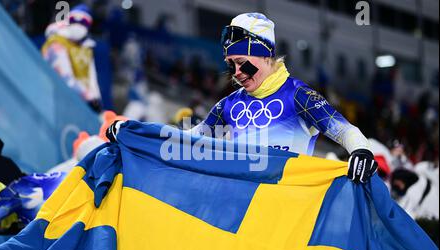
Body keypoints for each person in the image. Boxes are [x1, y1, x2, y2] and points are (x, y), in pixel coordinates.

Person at [108, 13, 377, 184]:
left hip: (288, 211)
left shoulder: (298, 95)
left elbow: (344, 130)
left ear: (266, 56)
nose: (237, 74)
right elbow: (186, 141)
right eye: (231, 65)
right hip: (239, 208)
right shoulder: (228, 104)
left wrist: (361, 151)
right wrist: (134, 132)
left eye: (242, 63)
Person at [41, 4, 102, 113]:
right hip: (53, 100)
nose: (78, 26)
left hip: (76, 103)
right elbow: (65, 77)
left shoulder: (86, 46)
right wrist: (89, 97)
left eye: (84, 23)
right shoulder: (57, 43)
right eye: (74, 21)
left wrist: (97, 100)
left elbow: (91, 78)